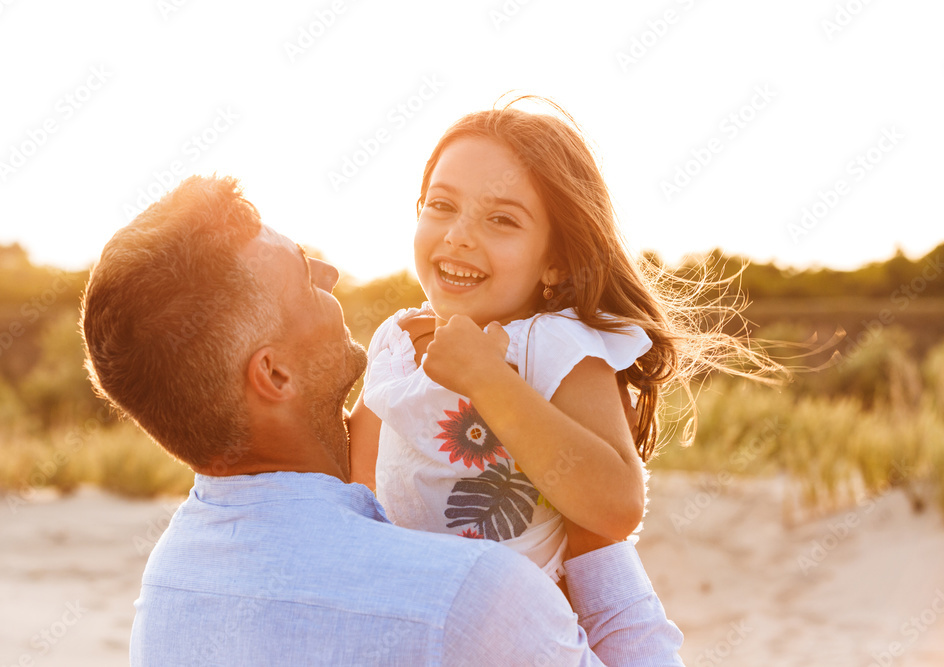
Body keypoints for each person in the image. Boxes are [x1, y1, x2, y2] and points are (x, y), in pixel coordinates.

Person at [81, 174, 684, 665]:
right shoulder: (469, 600)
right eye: (303, 274)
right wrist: (593, 542)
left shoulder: (167, 591)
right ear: (275, 376)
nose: (330, 274)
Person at [349, 98, 775, 583]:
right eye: (442, 206)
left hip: (521, 633)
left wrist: (486, 380)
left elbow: (617, 507)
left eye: (502, 219)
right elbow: (354, 477)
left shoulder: (554, 346)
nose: (459, 235)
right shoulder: (396, 344)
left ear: (556, 261)